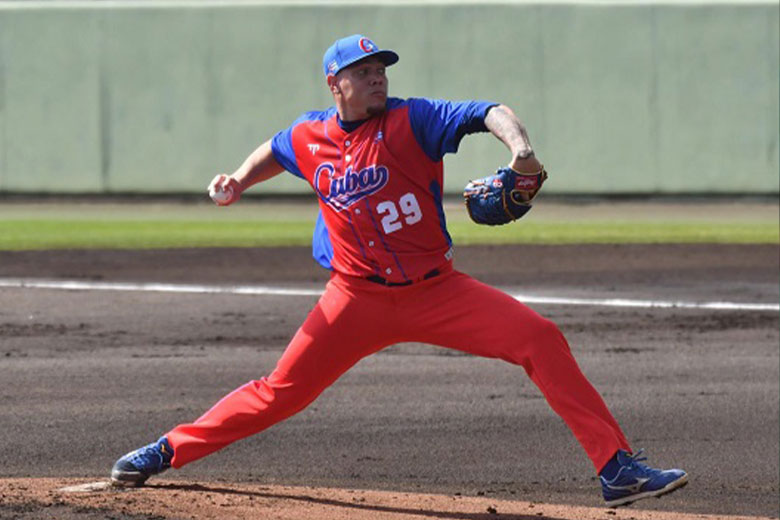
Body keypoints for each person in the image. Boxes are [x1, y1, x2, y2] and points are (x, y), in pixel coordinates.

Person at [111, 34, 688, 508]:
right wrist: (238, 178)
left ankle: (617, 469)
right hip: (353, 299)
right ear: (334, 84)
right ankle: (165, 450)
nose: (377, 76)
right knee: (278, 394)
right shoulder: (311, 135)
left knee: (540, 338)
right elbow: (277, 147)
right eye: (362, 70)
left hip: (439, 292)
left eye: (380, 67)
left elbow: (489, 111)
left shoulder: (415, 120)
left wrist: (522, 150)